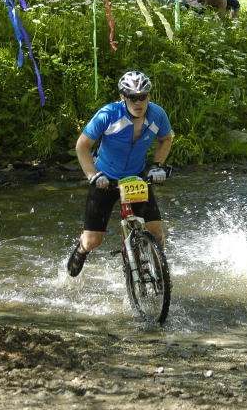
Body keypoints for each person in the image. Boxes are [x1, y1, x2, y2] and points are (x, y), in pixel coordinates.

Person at [67, 71, 174, 277]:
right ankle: (81, 250)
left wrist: (157, 165)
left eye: (142, 96)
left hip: (136, 178)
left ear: (148, 96)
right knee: (92, 241)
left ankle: (158, 274)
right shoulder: (107, 114)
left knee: (156, 232)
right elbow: (82, 146)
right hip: (105, 179)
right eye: (132, 97)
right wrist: (93, 175)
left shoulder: (157, 114)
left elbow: (166, 139)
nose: (138, 102)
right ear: (122, 97)